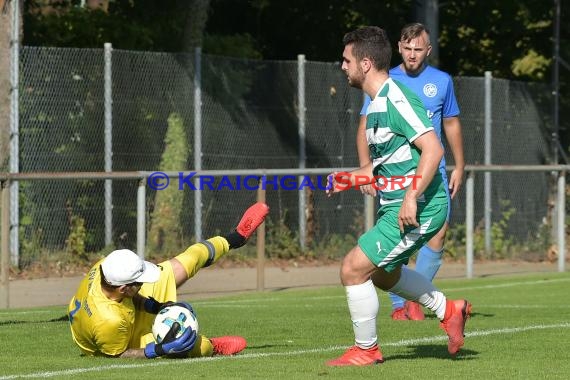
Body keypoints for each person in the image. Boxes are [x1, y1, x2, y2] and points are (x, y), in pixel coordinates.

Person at [326, 26, 471, 366]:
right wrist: (348, 179)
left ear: (365, 63)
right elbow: (387, 168)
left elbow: (433, 149)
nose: (342, 66)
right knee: (381, 274)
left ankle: (367, 350)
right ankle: (449, 310)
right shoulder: (377, 105)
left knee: (352, 269)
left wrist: (411, 196)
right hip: (401, 205)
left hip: (420, 207)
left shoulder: (395, 98)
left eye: (346, 60)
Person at [356, 22, 465, 321]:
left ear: (428, 50)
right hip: (396, 174)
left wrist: (460, 165)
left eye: (419, 49)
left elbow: (450, 124)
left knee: (437, 236)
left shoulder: (441, 81)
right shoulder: (383, 80)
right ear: (399, 48)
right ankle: (400, 305)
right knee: (397, 240)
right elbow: (365, 126)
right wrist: (367, 171)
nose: (413, 54)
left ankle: (415, 302)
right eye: (408, 48)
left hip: (433, 170)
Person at [67, 202, 270, 359]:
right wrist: (159, 349)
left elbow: (129, 295)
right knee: (185, 343)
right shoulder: (109, 322)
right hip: (115, 341)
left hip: (118, 311)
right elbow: (119, 355)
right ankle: (213, 346)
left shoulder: (107, 267)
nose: (144, 284)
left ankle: (236, 238)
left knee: (186, 261)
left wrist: (154, 305)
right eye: (139, 282)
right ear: (124, 288)